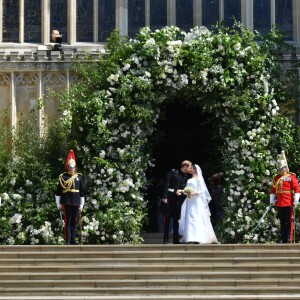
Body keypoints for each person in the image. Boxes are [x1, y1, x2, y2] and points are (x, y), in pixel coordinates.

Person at [177, 164, 219, 244]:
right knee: (189, 217)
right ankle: (190, 237)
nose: (190, 169)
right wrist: (182, 191)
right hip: (189, 201)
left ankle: (198, 236)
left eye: (191, 168)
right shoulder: (189, 179)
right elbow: (187, 189)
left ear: (195, 170)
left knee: (196, 217)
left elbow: (202, 191)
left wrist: (194, 193)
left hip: (196, 201)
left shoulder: (199, 179)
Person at [55, 149, 85, 245]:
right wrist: (58, 204)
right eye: (70, 167)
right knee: (68, 221)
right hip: (67, 201)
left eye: (73, 167)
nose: (72, 169)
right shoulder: (63, 177)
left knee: (74, 221)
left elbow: (82, 192)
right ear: (68, 167)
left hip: (76, 202)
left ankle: (73, 240)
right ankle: (67, 240)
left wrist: (82, 204)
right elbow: (58, 192)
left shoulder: (79, 177)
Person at [270, 152, 300, 243]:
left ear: (286, 168)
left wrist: (296, 200)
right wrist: (272, 200)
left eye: (282, 168)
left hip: (288, 202)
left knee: (288, 221)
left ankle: (289, 239)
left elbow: (297, 189)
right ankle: (283, 239)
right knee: (282, 222)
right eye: (280, 168)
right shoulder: (276, 178)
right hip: (280, 202)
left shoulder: (291, 177)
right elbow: (273, 190)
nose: (281, 170)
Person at [161, 160, 192, 244]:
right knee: (167, 219)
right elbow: (166, 184)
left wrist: (182, 192)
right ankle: (166, 239)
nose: (190, 169)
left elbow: (185, 189)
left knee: (176, 220)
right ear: (185, 166)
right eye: (189, 167)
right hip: (170, 198)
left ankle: (175, 240)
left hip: (179, 201)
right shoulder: (173, 172)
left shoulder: (186, 177)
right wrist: (164, 196)